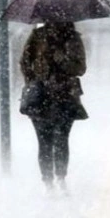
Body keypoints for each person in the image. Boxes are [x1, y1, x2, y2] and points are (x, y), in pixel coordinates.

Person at [20, 21, 88, 192]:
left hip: (65, 95)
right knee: (44, 141)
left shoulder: (73, 38)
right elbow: (25, 62)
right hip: (41, 97)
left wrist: (63, 60)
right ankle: (48, 181)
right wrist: (34, 80)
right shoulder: (37, 36)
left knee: (61, 139)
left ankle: (60, 177)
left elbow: (80, 68)